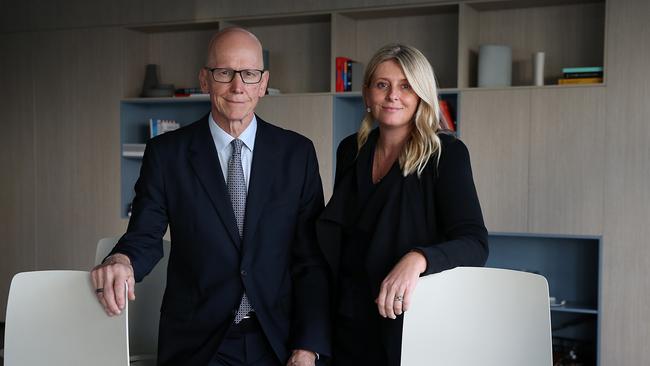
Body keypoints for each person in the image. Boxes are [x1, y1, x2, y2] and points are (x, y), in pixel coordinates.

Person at [91, 27, 330, 366]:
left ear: (263, 83)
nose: (237, 87)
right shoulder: (166, 154)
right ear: (204, 80)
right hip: (198, 343)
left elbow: (310, 259)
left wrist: (307, 346)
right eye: (224, 73)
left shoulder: (297, 153)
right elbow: (144, 235)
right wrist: (121, 261)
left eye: (249, 74)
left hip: (278, 338)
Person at [316, 44, 489, 365]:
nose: (393, 95)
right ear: (367, 95)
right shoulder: (350, 151)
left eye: (406, 85)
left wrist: (418, 258)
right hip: (349, 320)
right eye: (382, 85)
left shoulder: (446, 153)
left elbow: (475, 244)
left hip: (411, 322)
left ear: (421, 94)